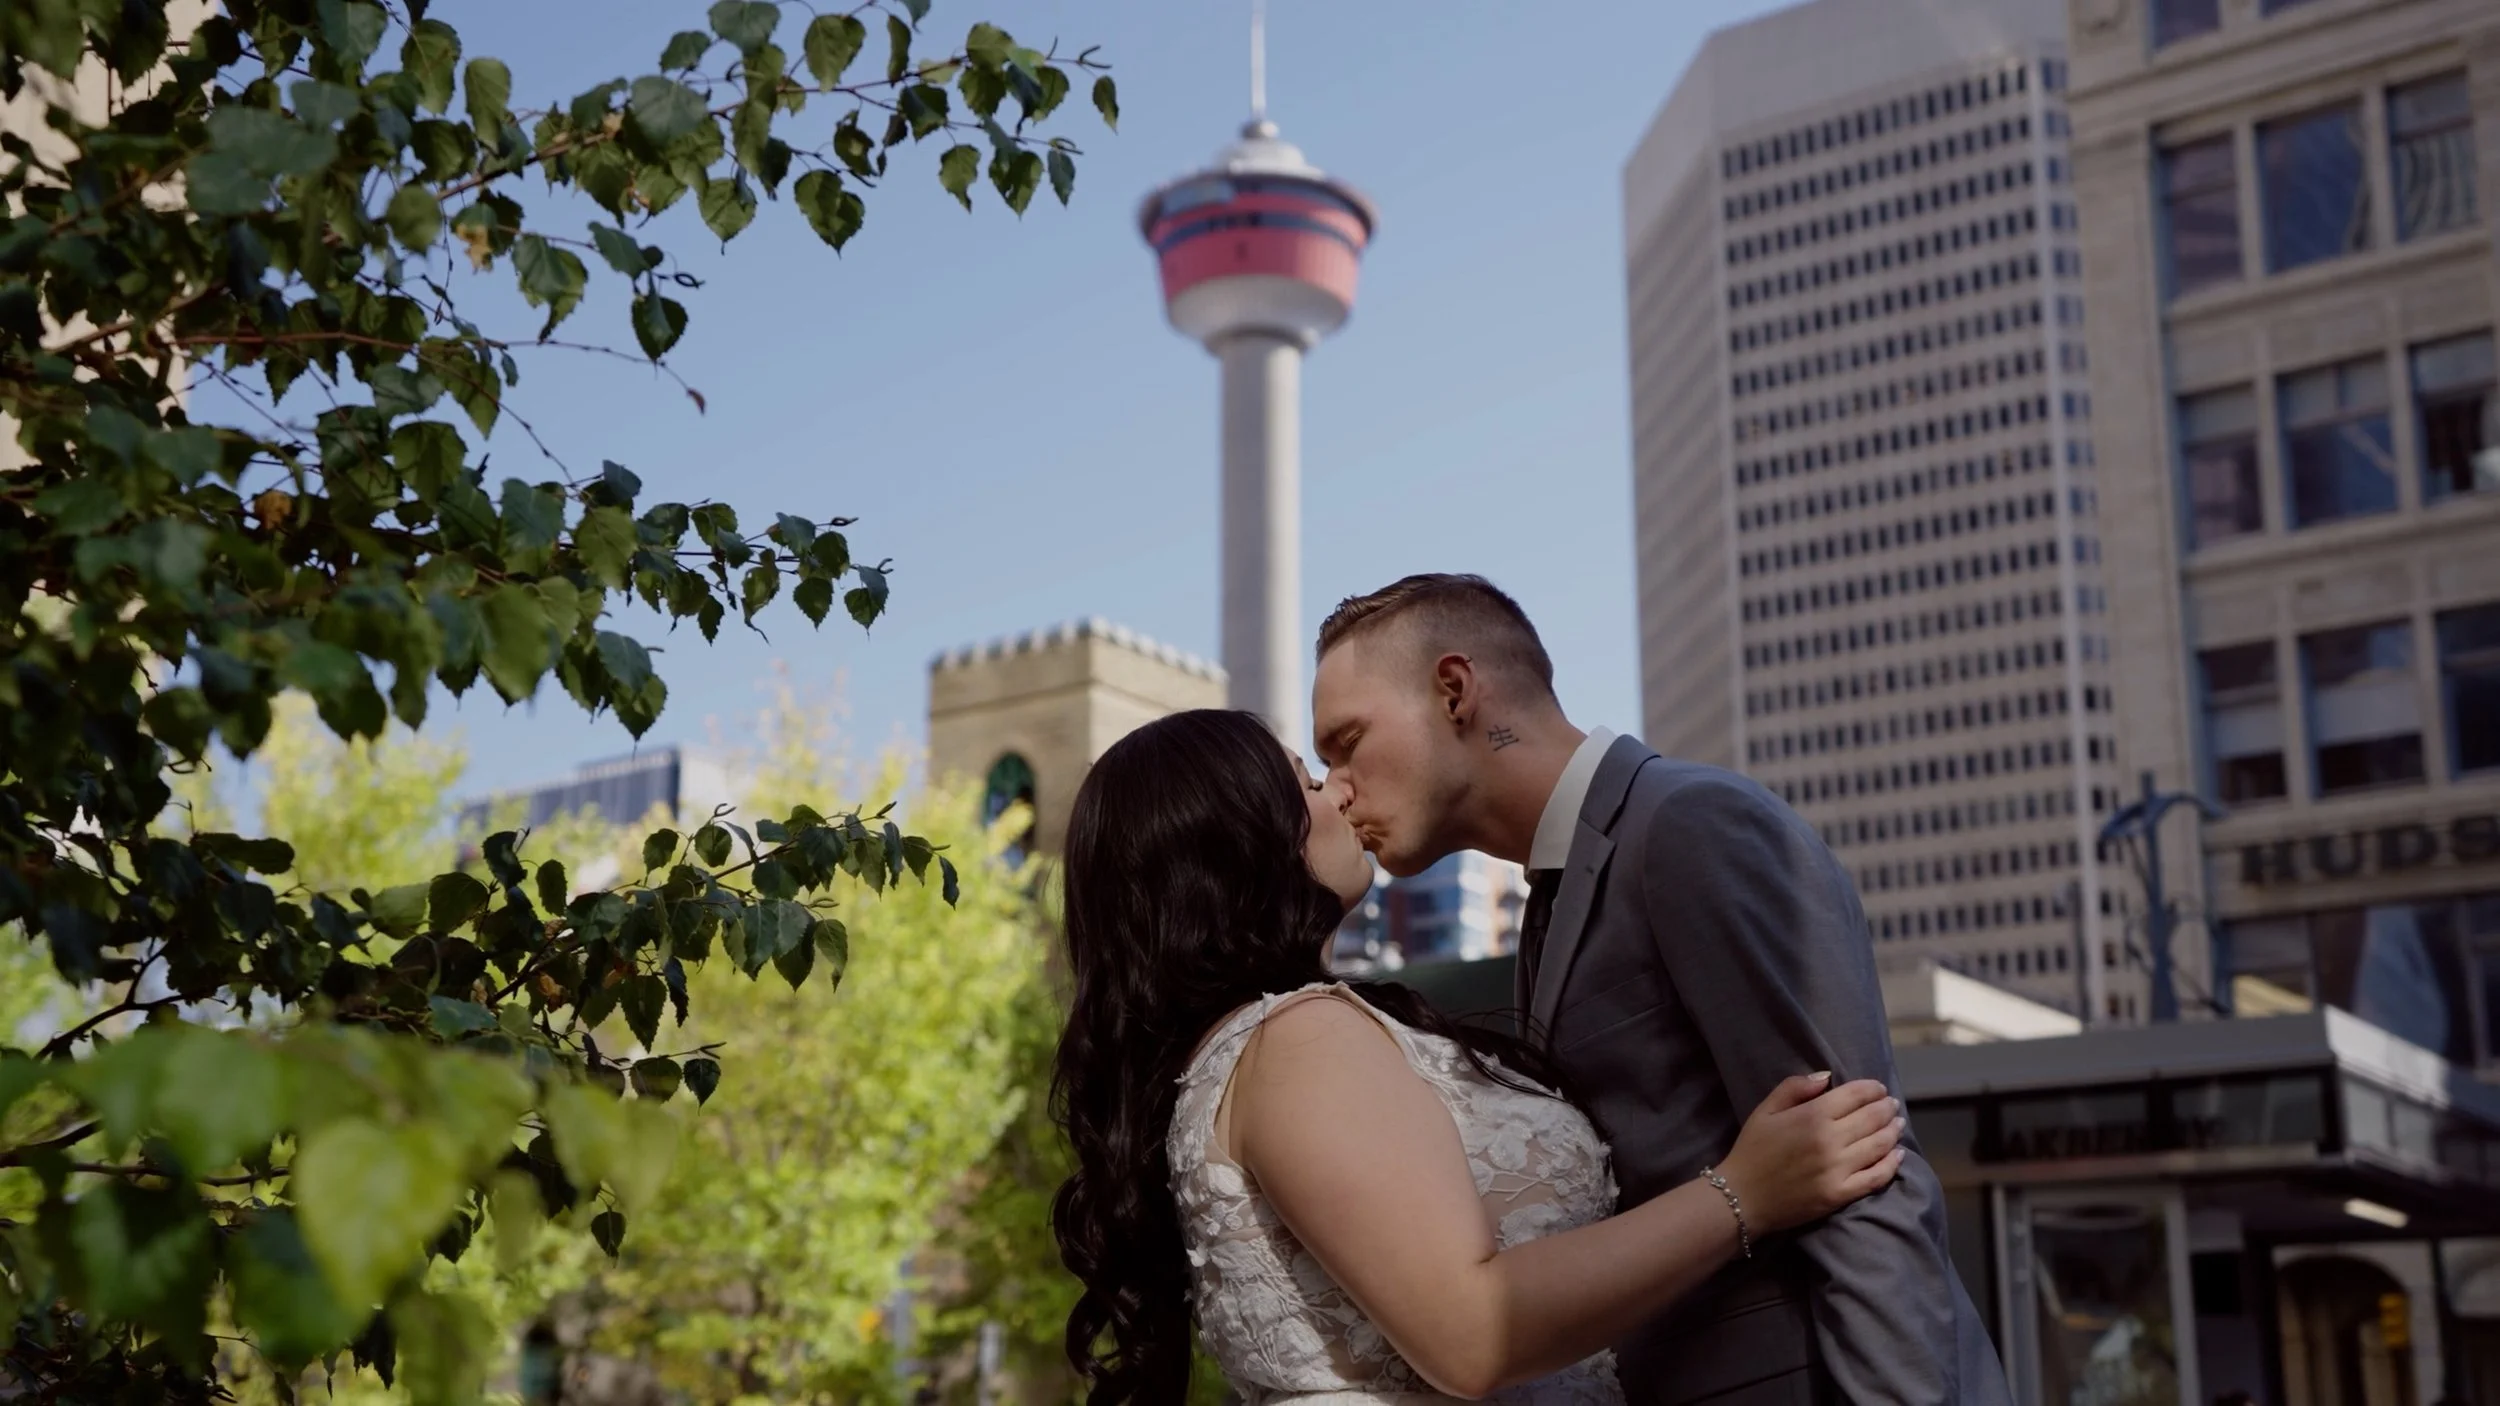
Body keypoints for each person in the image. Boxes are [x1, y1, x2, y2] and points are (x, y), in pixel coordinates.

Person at [1051, 708, 1906, 1405]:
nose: (1339, 792)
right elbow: (1470, 1332)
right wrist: (1745, 1193)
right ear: (1235, 841)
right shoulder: (1299, 1038)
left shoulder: (1264, 1047)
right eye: (1308, 782)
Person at [1310, 574, 2012, 1405]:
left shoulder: (1691, 824)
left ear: (1455, 690)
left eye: (1347, 742)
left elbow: (1859, 1165)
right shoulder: (1553, 900)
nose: (1339, 787)